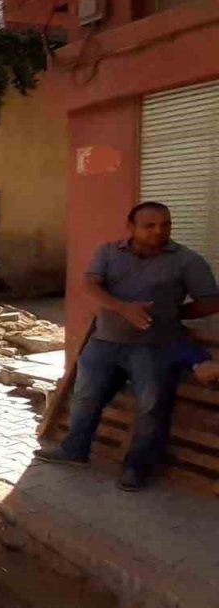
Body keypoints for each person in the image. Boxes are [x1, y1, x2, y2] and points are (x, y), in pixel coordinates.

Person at [35, 202, 219, 491]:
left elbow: (210, 302)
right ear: (131, 227)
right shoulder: (108, 253)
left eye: (165, 224)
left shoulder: (187, 260)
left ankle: (137, 468)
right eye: (149, 225)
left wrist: (171, 313)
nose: (159, 231)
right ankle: (74, 450)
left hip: (155, 346)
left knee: (152, 408)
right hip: (105, 342)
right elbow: (90, 284)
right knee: (85, 398)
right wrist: (122, 308)